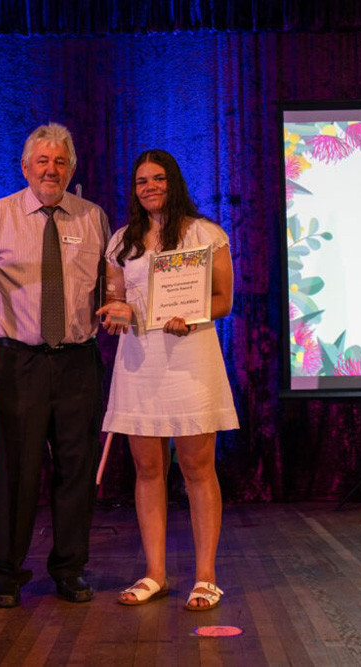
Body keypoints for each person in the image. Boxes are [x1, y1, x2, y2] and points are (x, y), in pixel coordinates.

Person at [0, 123, 109, 608]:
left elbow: (109, 282)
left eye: (60, 162)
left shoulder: (93, 218)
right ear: (25, 168)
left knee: (76, 470)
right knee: (17, 472)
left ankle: (70, 570)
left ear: (71, 169)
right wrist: (2, 335)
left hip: (77, 364)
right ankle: (7, 575)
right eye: (42, 161)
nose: (51, 169)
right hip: (18, 364)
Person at [96, 149, 239, 611]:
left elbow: (223, 299)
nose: (150, 187)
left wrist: (193, 315)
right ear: (134, 189)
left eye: (158, 179)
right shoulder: (121, 240)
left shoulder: (206, 233)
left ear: (173, 182)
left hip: (191, 359)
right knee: (148, 470)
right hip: (140, 361)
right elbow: (114, 296)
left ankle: (205, 577)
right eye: (141, 181)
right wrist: (116, 308)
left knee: (197, 469)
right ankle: (155, 573)